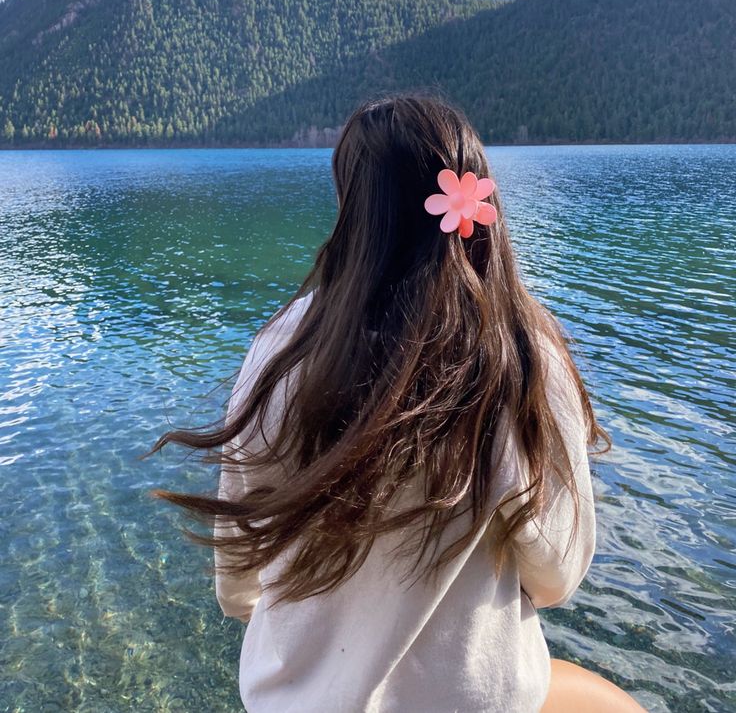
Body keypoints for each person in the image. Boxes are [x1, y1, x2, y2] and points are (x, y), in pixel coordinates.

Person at [150, 93, 647, 712]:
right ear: (476, 205)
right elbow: (557, 575)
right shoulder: (523, 352)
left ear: (353, 209)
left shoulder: (282, 350)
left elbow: (239, 583)